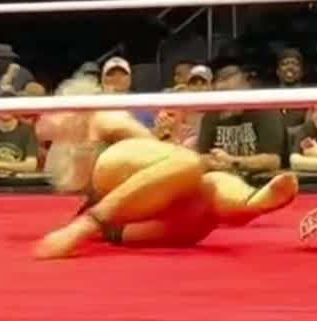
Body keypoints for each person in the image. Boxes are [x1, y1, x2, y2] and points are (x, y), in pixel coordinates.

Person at [34, 76, 298, 259]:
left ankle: (250, 202)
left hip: (132, 202)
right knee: (196, 173)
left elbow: (158, 154)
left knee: (201, 180)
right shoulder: (70, 137)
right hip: (120, 217)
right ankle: (246, 202)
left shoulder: (102, 117)